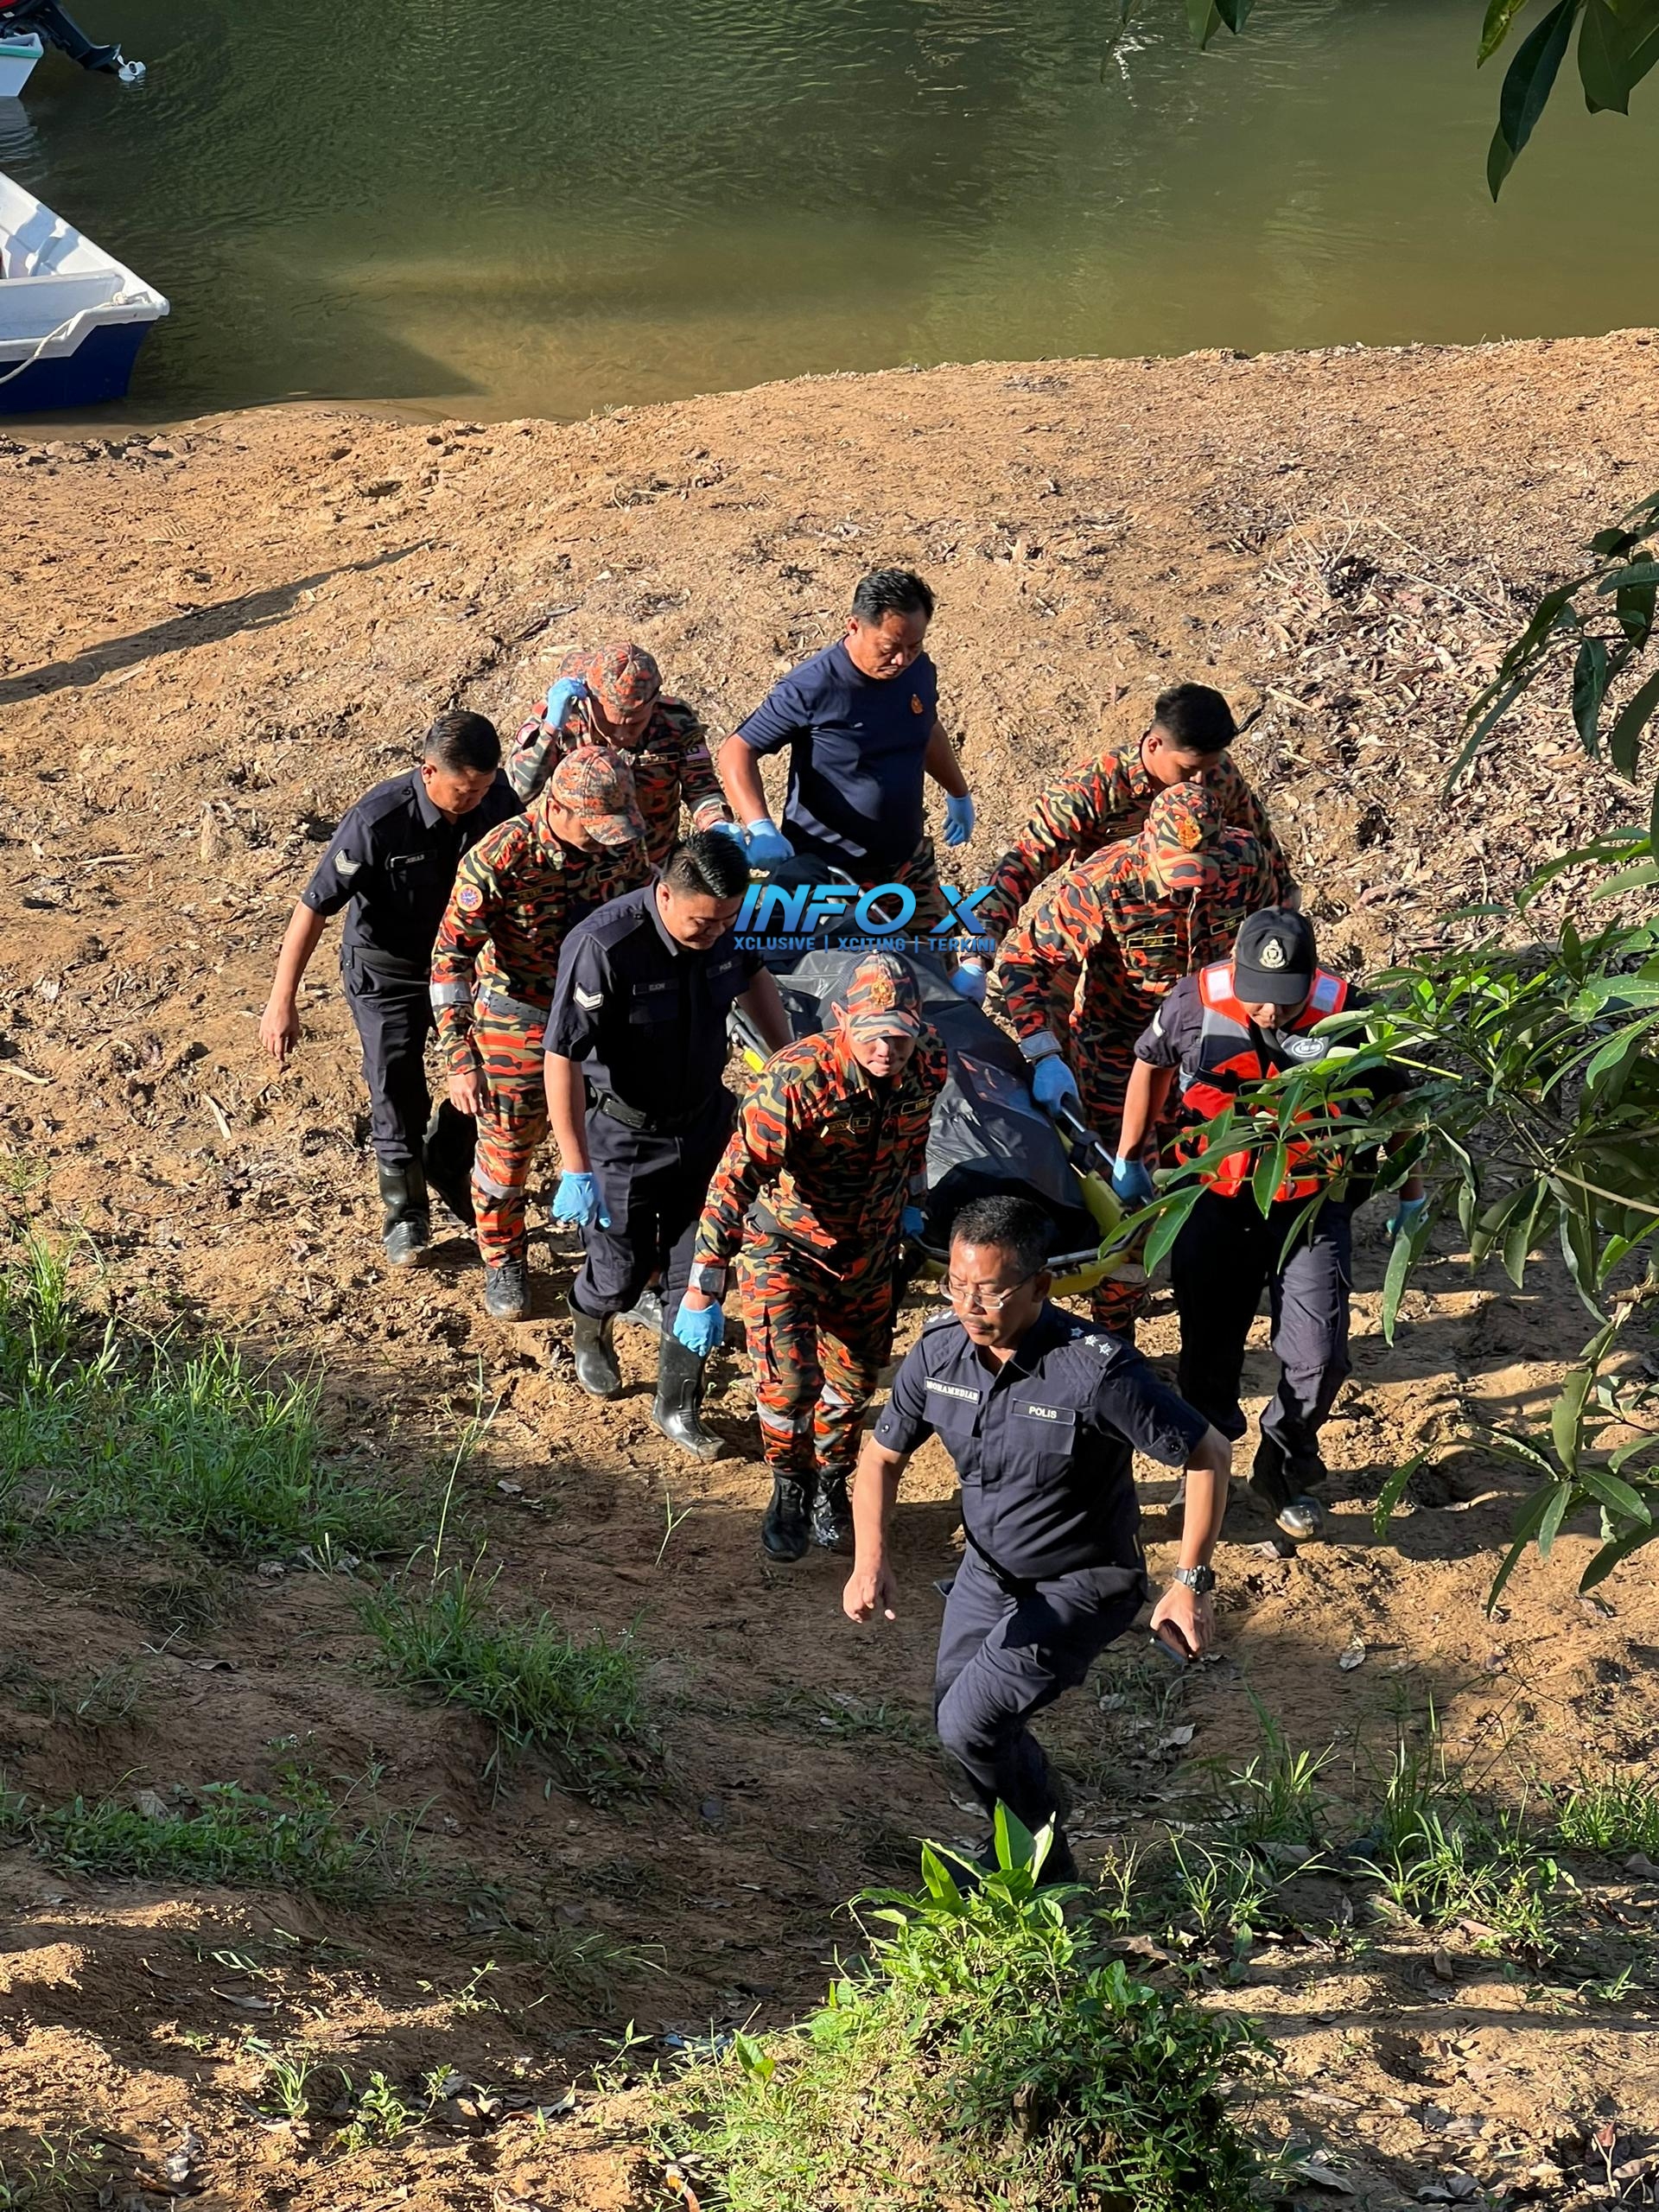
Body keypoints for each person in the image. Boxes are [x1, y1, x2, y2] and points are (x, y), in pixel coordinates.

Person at [842, 1194, 1232, 1885]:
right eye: (956, 1286)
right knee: (960, 1721)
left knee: (970, 1724)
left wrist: (1189, 1583)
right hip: (987, 1573)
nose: (970, 1307)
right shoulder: (938, 1354)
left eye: (990, 1292)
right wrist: (869, 1559)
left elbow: (1209, 1453)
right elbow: (880, 1459)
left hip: (1082, 1583)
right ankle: (1024, 1841)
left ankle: (1042, 1868)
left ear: (1041, 1285)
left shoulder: (1096, 1372)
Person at [1116, 906, 1423, 1540]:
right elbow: (1150, 1063)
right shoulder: (1193, 1003)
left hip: (1311, 1202)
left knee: (1321, 1356)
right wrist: (1130, 1156)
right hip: (1216, 1197)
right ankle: (1205, 1466)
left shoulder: (1351, 1015)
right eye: (1258, 996)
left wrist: (1411, 1197)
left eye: (1285, 998)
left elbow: (1396, 1102)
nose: (1270, 1011)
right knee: (1209, 1344)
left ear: (1313, 978)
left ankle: (1282, 1466)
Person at [679, 951, 947, 1561]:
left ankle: (832, 1483)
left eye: (899, 1036)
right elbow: (734, 1180)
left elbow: (917, 1137)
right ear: (844, 1021)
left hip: (870, 1249)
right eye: (873, 1035)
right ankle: (789, 1485)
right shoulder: (797, 1080)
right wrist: (703, 1283)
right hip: (787, 1246)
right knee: (790, 1384)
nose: (886, 1050)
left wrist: (916, 1201)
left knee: (853, 1385)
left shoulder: (929, 1061)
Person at [543, 831, 793, 1454]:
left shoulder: (727, 924)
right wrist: (575, 1165)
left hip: (705, 1127)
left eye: (726, 921)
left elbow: (753, 976)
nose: (715, 932)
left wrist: (785, 1059)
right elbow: (562, 1055)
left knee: (702, 1272)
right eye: (702, 922)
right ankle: (590, 1322)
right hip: (623, 1137)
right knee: (620, 1274)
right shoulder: (606, 945)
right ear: (664, 895)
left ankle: (678, 1404)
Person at [997, 783, 1281, 1326]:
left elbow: (1276, 929)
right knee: (1126, 1203)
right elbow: (1025, 962)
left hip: (1215, 1048)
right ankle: (1117, 1322)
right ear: (1149, 842)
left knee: (1218, 1174)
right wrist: (1043, 1049)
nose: (1188, 888)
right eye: (1177, 872)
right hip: (1117, 1055)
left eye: (1201, 873)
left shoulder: (1246, 859)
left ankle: (1211, 1272)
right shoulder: (1103, 883)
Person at [258, 711, 519, 1266]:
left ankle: (448, 1156)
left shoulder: (499, 804)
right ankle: (405, 1212)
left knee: (494, 1067)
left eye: (482, 788)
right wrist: (283, 1000)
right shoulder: (378, 820)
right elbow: (314, 907)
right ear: (428, 772)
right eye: (462, 790)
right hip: (388, 973)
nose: (473, 800)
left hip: (467, 967)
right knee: (396, 1081)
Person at [429, 748, 648, 1320]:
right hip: (519, 1015)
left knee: (621, 1139)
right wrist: (460, 1058)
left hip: (601, 1011)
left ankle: (623, 1265)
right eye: (594, 829)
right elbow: (450, 963)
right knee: (507, 1152)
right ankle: (503, 1257)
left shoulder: (620, 842)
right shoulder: (501, 856)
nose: (604, 843)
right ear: (559, 807)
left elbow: (643, 914)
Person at [955, 683, 1294, 1003]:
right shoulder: (1091, 791)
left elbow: (1259, 842)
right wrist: (975, 955)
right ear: (1154, 745)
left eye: (1210, 767)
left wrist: (1284, 912)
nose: (1200, 781)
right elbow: (1021, 867)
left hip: (1195, 928)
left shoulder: (1217, 777)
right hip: (1106, 927)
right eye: (1188, 769)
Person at [715, 569, 973, 930]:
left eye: (914, 646)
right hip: (832, 876)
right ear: (854, 626)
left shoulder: (918, 671)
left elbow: (926, 728)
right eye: (889, 648)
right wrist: (760, 826)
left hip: (907, 863)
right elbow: (737, 751)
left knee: (930, 960)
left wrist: (958, 793)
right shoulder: (812, 687)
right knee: (844, 964)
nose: (902, 660)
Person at [507, 641, 733, 867]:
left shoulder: (675, 722)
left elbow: (701, 788)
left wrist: (717, 825)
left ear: (654, 702)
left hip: (652, 861)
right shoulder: (564, 718)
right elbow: (517, 792)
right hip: (581, 868)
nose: (621, 735)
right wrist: (549, 731)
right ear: (590, 701)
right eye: (609, 723)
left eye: (635, 723)